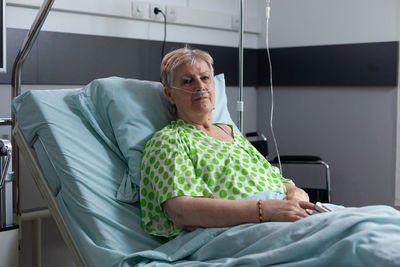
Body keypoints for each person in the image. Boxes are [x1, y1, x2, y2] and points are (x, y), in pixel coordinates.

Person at [140, 46, 315, 238]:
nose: (200, 86)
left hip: (287, 214)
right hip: (239, 229)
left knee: (351, 223)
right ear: (170, 94)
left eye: (205, 78)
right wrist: (265, 210)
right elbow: (182, 211)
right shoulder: (169, 141)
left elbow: (282, 182)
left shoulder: (231, 133)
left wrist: (297, 197)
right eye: (188, 81)